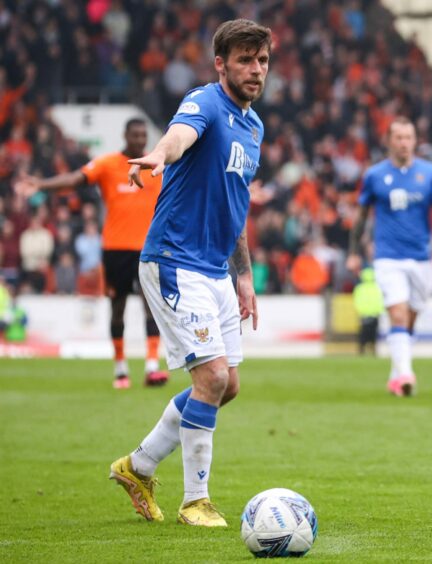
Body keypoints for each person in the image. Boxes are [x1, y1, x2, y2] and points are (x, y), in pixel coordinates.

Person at [109, 19, 271, 527]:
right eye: (245, 59)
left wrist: (243, 275)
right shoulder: (206, 102)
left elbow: (235, 205)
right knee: (212, 376)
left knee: (228, 386)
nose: (255, 69)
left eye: (262, 60)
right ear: (221, 64)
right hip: (174, 261)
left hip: (216, 269)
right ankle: (195, 501)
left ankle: (137, 466)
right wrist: (158, 154)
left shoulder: (254, 126)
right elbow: (179, 136)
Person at [15, 119, 168, 389]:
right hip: (115, 248)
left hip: (149, 248)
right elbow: (75, 179)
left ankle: (152, 367)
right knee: (117, 307)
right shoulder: (108, 164)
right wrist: (41, 185)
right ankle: (121, 368)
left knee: (151, 306)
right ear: (125, 135)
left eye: (144, 134)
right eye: (135, 134)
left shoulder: (157, 167)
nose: (141, 139)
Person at [346, 116, 432, 396]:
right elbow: (360, 217)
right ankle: (405, 376)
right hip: (388, 257)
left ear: (415, 141)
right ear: (388, 141)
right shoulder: (375, 175)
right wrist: (354, 251)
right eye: (399, 137)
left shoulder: (429, 173)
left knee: (410, 319)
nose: (404, 143)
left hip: (421, 258)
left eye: (409, 137)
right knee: (398, 313)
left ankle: (397, 370)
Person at [352, 266, 384, 355]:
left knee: (363, 334)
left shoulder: (359, 288)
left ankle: (362, 351)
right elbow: (381, 301)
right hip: (375, 315)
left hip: (364, 315)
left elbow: (357, 301)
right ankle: (373, 350)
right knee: (373, 334)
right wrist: (380, 311)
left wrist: (360, 312)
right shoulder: (377, 287)